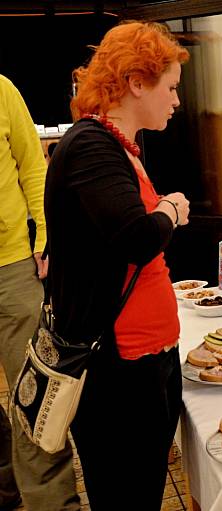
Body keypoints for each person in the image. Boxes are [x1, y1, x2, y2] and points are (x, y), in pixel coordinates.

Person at [44, 22, 190, 509]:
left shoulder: (119, 146)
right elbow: (135, 239)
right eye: (169, 87)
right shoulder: (90, 145)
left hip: (144, 358)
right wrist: (171, 208)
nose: (174, 100)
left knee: (140, 490)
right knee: (126, 496)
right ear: (136, 82)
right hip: (117, 369)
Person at [0, 75, 80, 511]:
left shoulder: (2, 90)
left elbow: (34, 167)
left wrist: (45, 235)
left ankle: (54, 503)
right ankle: (4, 484)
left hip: (12, 267)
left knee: (33, 396)